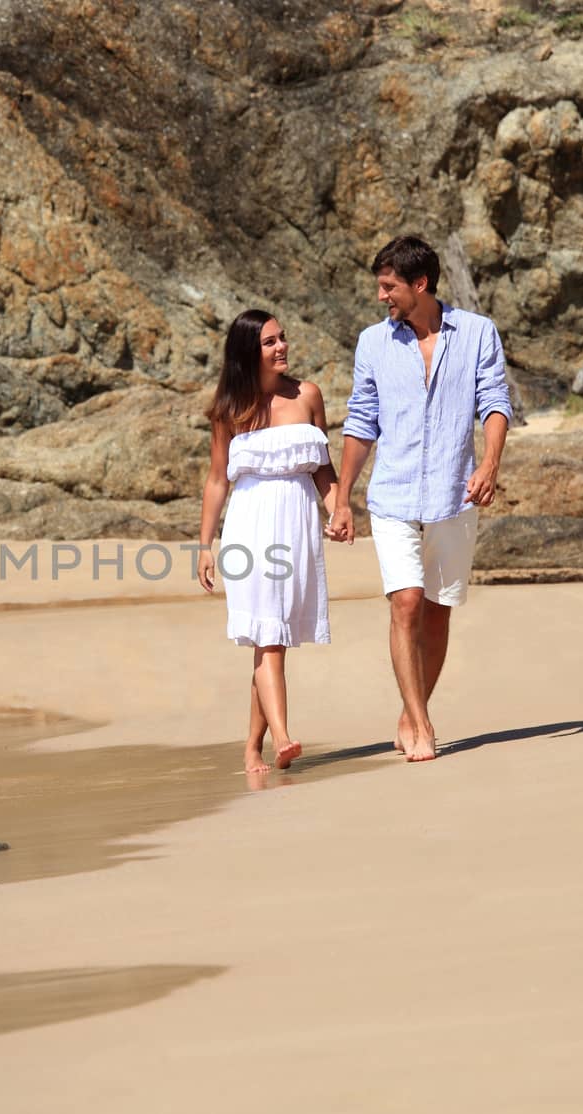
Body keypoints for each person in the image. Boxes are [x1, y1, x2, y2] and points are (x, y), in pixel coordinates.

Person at [327, 235, 511, 763]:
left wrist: (490, 463)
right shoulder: (373, 343)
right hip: (393, 494)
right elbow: (362, 423)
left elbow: (494, 402)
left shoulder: (477, 333)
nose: (382, 297)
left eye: (389, 287)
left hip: (455, 494)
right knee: (405, 602)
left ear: (420, 284)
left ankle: (411, 712)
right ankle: (425, 726)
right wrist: (343, 497)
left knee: (437, 613)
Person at [197, 310, 341, 776]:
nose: (281, 347)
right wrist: (205, 546)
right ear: (247, 352)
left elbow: (323, 468)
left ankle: (251, 749)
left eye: (283, 338)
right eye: (269, 342)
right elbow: (218, 481)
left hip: (297, 525)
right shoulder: (229, 410)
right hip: (250, 528)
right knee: (270, 638)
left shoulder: (308, 396)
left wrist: (340, 508)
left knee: (270, 636)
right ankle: (282, 737)